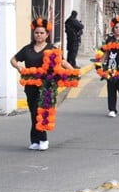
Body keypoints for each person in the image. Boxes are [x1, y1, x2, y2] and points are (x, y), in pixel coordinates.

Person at [11, 17, 75, 151]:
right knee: (33, 113)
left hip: (46, 87)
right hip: (30, 86)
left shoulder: (51, 49)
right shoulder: (27, 49)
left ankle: (43, 139)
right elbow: (13, 60)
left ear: (47, 34)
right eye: (36, 33)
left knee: (41, 112)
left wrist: (73, 72)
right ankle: (35, 141)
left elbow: (62, 62)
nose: (38, 35)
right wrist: (19, 68)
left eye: (41, 33)